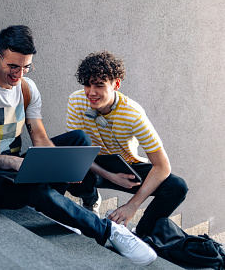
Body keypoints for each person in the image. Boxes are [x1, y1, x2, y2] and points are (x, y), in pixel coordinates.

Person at [0, 25, 157, 266]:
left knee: (79, 140)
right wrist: (12, 162)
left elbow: (41, 139)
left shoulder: (27, 88)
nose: (19, 74)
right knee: (36, 191)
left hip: (19, 165)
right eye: (13, 66)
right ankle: (109, 231)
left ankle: (54, 205)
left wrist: (62, 166)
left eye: (26, 67)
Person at [66, 50, 188, 237]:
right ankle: (90, 200)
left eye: (99, 85)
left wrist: (132, 206)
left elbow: (162, 167)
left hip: (126, 167)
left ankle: (142, 234)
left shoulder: (133, 114)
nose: (91, 92)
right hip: (94, 164)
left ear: (116, 84)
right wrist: (109, 176)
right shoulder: (76, 101)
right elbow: (76, 151)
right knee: (70, 167)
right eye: (87, 85)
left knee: (177, 187)